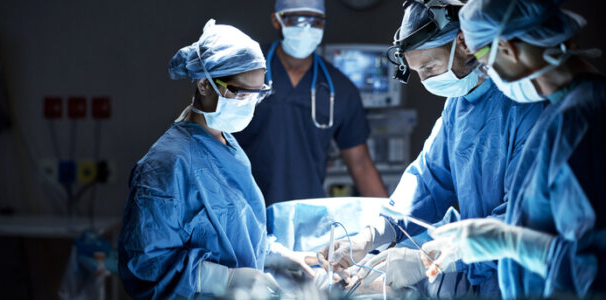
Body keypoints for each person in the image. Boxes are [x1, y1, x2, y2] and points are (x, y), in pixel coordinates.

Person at [318, 1, 544, 297]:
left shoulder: (527, 108)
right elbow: (427, 180)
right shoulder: (458, 107)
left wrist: (429, 257)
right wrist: (373, 235)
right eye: (417, 71)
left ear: (463, 43)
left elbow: (520, 221)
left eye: (430, 67)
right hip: (480, 277)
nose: (425, 80)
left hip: (526, 280)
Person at [421, 0, 606, 298]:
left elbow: (594, 266)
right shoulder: (563, 114)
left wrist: (510, 242)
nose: (486, 72)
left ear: (507, 49)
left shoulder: (580, 121)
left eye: (483, 63)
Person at [118, 19, 283, 299]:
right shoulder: (165, 166)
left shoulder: (226, 144)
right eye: (241, 93)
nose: (249, 104)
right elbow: (146, 265)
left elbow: (238, 231)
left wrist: (280, 256)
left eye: (258, 95)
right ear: (205, 85)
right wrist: (225, 279)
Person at [233, 0, 387, 206]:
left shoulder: (339, 89)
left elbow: (360, 164)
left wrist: (394, 223)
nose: (306, 28)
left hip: (304, 212)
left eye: (315, 21)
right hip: (242, 206)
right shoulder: (244, 71)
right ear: (276, 21)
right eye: (296, 19)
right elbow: (210, 137)